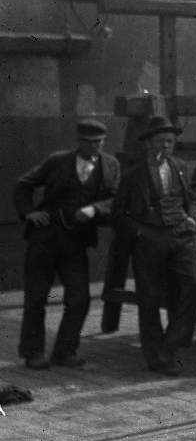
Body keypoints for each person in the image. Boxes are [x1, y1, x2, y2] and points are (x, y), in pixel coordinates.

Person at [14, 118, 120, 368]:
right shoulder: (57, 161)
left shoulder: (110, 165)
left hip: (76, 241)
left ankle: (64, 351)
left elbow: (117, 198)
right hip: (45, 237)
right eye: (89, 142)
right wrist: (29, 212)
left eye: (99, 142)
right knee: (37, 297)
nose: (94, 147)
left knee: (80, 298)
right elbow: (24, 184)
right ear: (78, 141)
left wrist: (94, 209)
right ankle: (33, 353)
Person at [112, 116, 196, 376]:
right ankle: (157, 357)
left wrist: (191, 217)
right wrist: (139, 233)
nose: (166, 146)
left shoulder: (180, 166)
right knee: (149, 299)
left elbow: (189, 198)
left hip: (181, 236)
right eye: (161, 141)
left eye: (170, 141)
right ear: (149, 144)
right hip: (149, 239)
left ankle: (170, 344)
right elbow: (118, 214)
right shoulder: (133, 175)